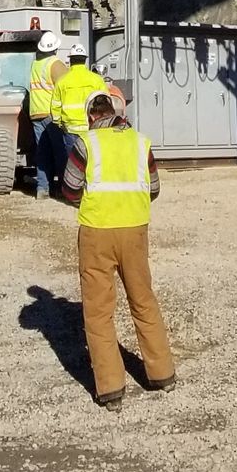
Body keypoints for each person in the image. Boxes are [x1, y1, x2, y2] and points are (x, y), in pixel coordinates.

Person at [59, 89, 175, 408]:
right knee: (143, 299)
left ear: (90, 116)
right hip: (135, 230)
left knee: (98, 311)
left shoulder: (86, 144)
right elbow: (153, 189)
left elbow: (69, 190)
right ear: (113, 110)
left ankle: (111, 390)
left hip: (97, 231)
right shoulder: (140, 142)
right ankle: (162, 374)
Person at [51, 41, 123, 144]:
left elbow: (55, 107)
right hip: (92, 128)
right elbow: (106, 103)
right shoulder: (97, 79)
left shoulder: (62, 81)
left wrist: (58, 123)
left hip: (70, 129)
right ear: (85, 60)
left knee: (73, 159)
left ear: (70, 59)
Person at [27, 30, 61, 197]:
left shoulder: (35, 65)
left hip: (36, 113)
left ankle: (42, 188)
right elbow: (66, 85)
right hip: (51, 114)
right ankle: (63, 187)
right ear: (55, 49)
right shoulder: (55, 63)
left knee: (42, 152)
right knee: (59, 151)